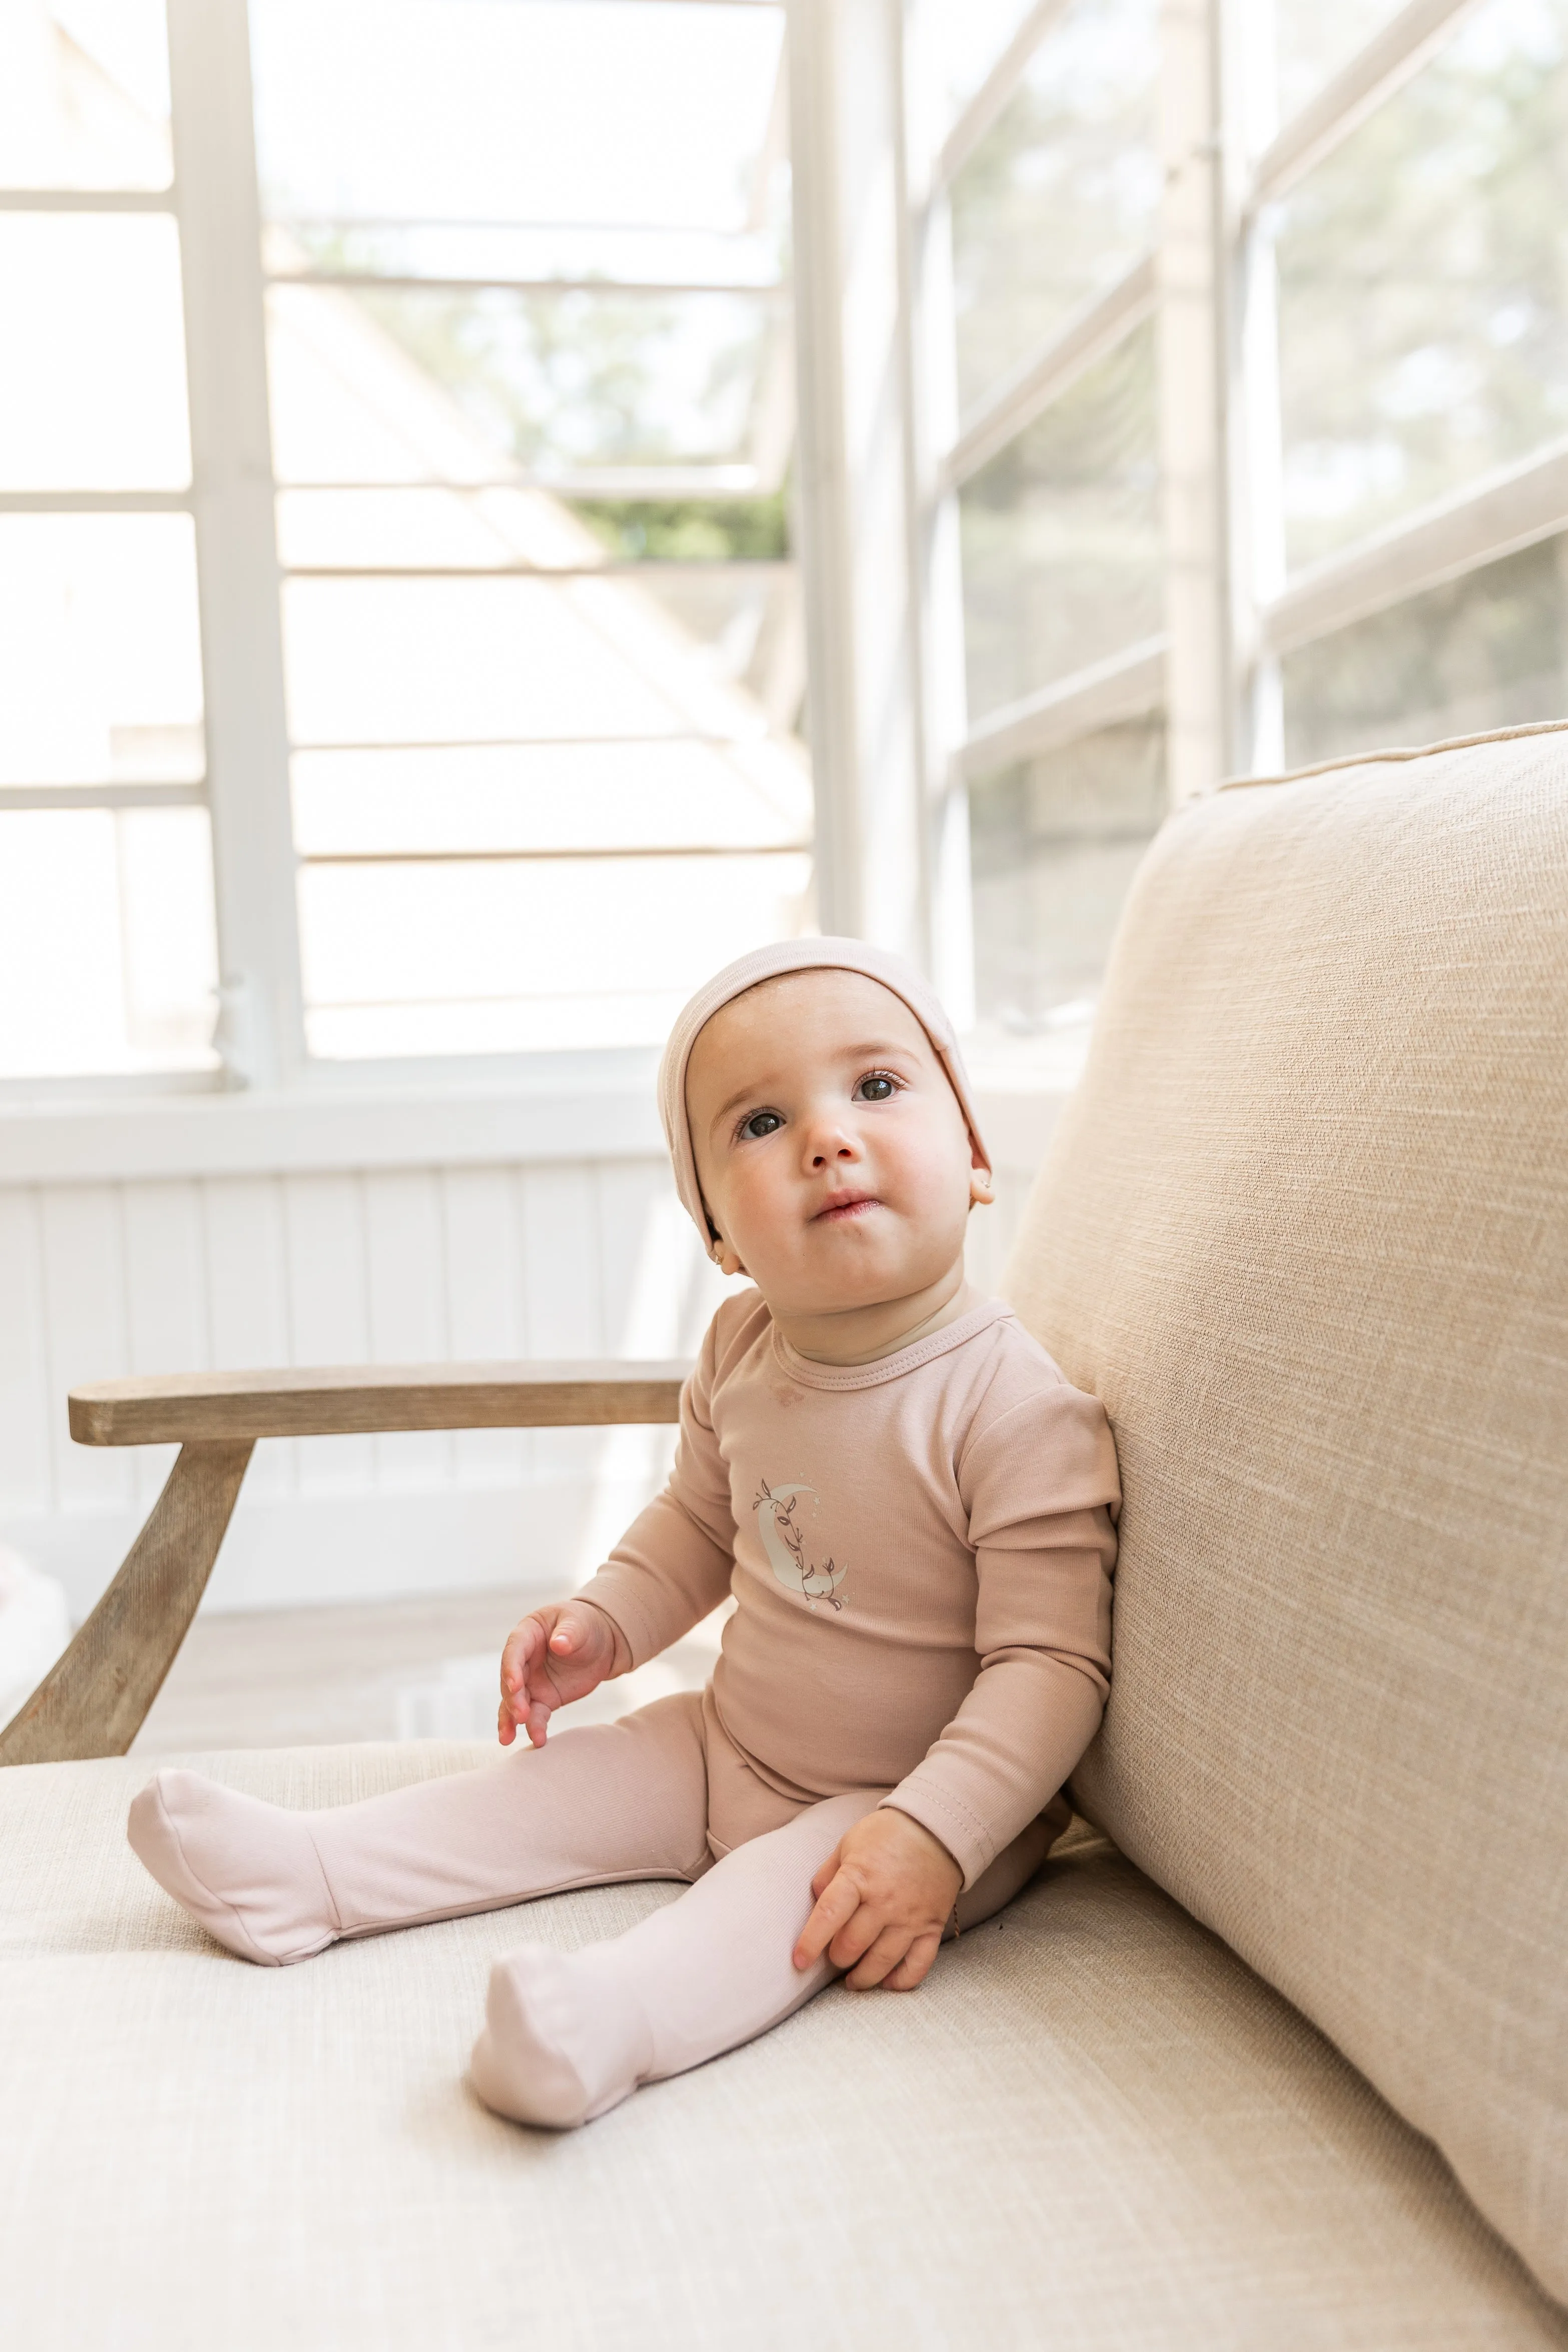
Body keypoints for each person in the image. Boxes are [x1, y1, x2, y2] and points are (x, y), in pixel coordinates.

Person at [127, 939, 1120, 2129]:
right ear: (717, 1235)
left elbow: (1053, 1667)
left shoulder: (1015, 1408)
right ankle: (314, 1874)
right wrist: (607, 1620)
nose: (827, 1137)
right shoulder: (740, 1354)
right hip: (730, 1741)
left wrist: (937, 1835)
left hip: (901, 1807)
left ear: (972, 1155)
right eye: (760, 1123)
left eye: (875, 1088)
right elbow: (699, 1521)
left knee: (772, 1906)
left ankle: (611, 2025)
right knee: (560, 1784)